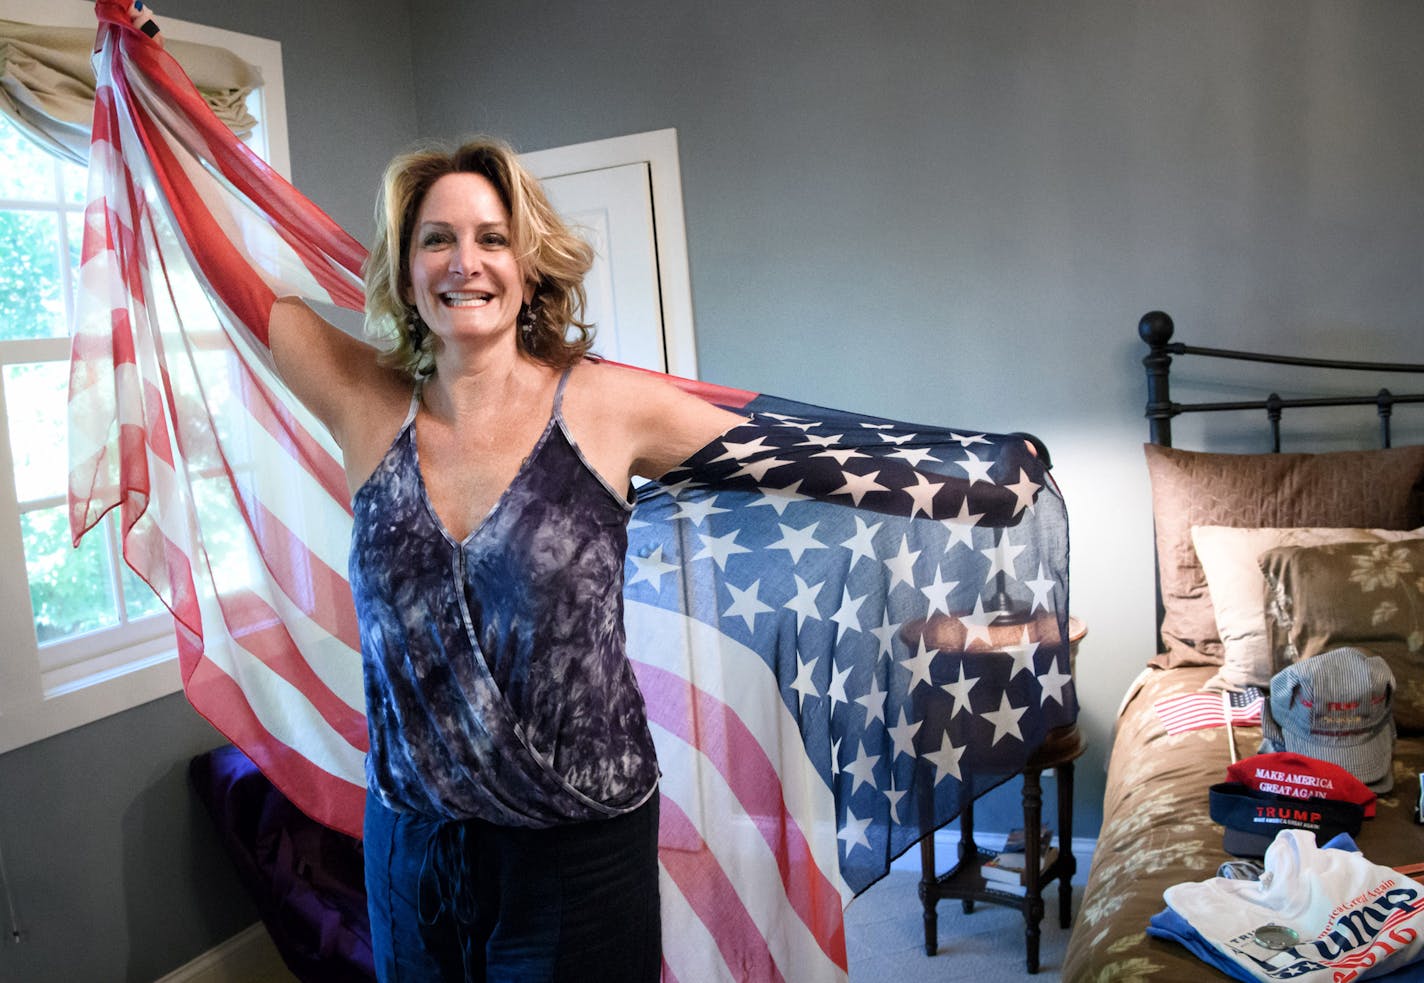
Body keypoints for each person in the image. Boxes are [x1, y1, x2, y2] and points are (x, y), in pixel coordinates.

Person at [125, 7, 741, 979]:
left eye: (491, 238)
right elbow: (227, 268)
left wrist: (969, 475)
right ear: (406, 270)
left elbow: (785, 450)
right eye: (436, 239)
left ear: (528, 263)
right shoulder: (364, 399)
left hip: (574, 856)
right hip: (413, 847)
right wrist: (148, 81)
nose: (465, 261)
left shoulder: (611, 403)